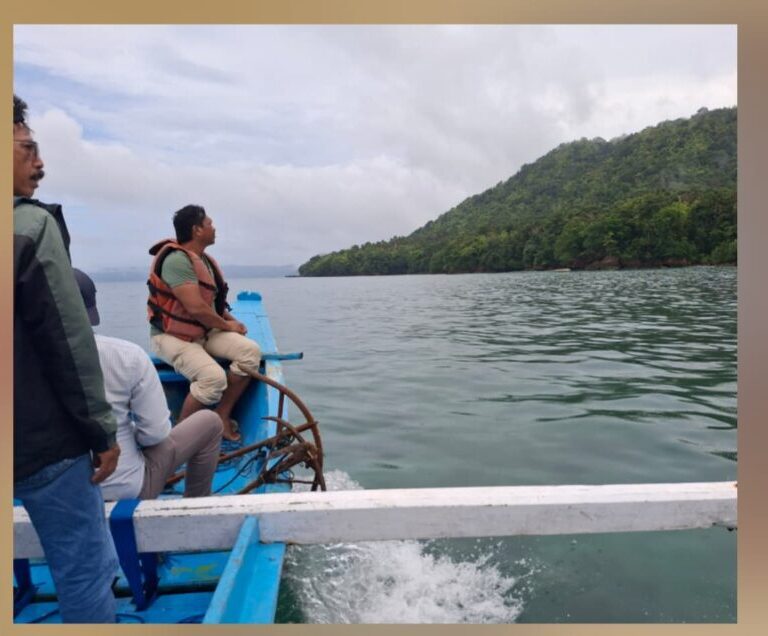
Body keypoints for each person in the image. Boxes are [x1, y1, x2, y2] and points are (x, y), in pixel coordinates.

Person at [13, 94, 120, 623]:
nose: (41, 163)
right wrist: (101, 431)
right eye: (28, 148)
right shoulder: (30, 226)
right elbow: (68, 342)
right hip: (40, 447)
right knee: (85, 569)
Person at [74, 269, 224, 500]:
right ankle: (196, 504)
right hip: (126, 488)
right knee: (210, 422)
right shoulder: (127, 356)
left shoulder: (16, 362)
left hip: (49, 498)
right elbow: (154, 435)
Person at [147, 204, 261, 442]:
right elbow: (195, 307)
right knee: (213, 379)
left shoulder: (202, 259)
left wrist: (231, 321)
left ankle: (222, 415)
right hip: (171, 336)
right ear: (197, 229)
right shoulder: (176, 261)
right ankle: (178, 442)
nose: (214, 228)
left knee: (249, 352)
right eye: (209, 224)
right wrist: (227, 327)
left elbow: (210, 304)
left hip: (202, 331)